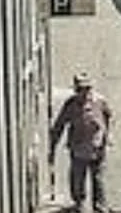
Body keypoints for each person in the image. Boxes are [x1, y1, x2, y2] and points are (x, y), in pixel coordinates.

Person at [49, 71, 112, 213]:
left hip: (97, 148)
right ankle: (79, 205)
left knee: (99, 181)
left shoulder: (100, 101)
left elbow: (108, 116)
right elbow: (59, 125)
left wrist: (107, 136)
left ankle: (99, 208)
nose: (84, 94)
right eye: (81, 90)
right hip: (78, 149)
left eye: (87, 89)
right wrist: (53, 146)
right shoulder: (70, 105)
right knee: (77, 180)